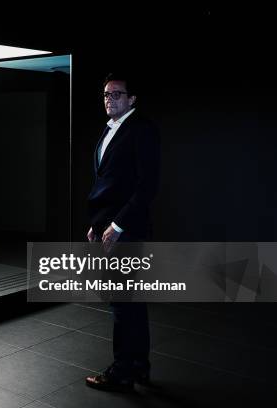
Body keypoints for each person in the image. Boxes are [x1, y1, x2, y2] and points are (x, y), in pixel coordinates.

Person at [85, 73, 161, 391]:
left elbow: (146, 186)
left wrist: (117, 226)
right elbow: (109, 184)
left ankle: (122, 372)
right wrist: (98, 223)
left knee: (122, 303)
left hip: (125, 230)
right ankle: (139, 367)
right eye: (106, 94)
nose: (109, 99)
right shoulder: (109, 130)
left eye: (117, 94)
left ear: (132, 100)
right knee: (130, 302)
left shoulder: (140, 130)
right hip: (109, 226)